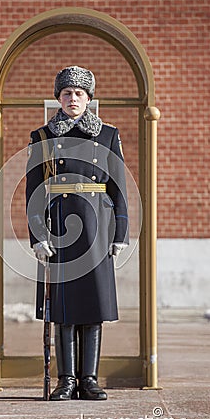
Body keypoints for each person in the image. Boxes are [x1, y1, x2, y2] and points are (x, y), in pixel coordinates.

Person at [26, 66, 129, 401]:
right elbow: (33, 192)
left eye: (79, 93)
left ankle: (90, 379)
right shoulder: (42, 137)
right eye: (67, 93)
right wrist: (38, 235)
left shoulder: (108, 135)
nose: (73, 99)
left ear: (89, 98)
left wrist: (120, 233)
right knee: (64, 309)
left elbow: (118, 186)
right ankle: (66, 380)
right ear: (58, 97)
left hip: (98, 228)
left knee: (94, 306)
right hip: (59, 232)